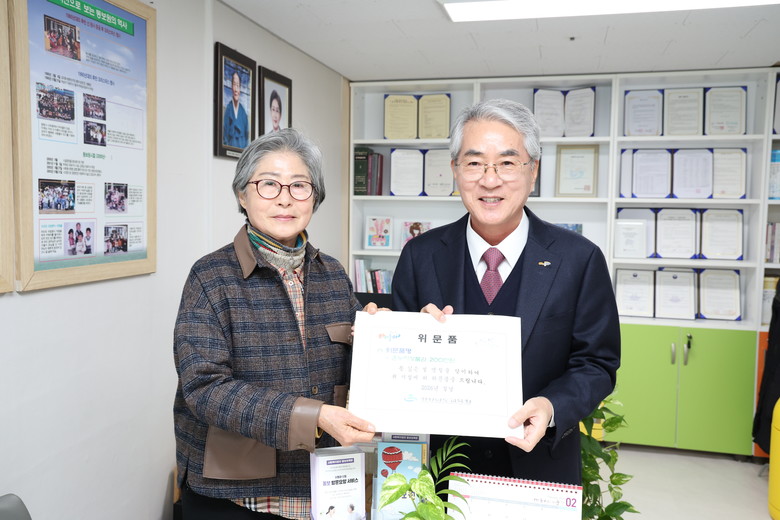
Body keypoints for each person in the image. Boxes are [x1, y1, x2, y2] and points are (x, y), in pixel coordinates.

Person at [391, 99, 620, 485]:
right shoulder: (420, 255)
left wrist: (551, 405)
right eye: (474, 163)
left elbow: (597, 363)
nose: (490, 180)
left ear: (533, 171)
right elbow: (399, 367)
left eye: (508, 163)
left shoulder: (579, 259)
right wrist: (408, 338)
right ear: (455, 170)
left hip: (540, 468)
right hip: (440, 475)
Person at [174, 128, 378, 519]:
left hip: (324, 489)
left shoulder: (333, 274)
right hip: (238, 495)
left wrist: (381, 335)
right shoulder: (210, 277)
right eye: (268, 184)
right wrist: (313, 417)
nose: (285, 198)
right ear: (242, 194)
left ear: (314, 197)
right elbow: (204, 388)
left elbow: (355, 365)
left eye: (299, 185)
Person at [223, 71, 250, 149]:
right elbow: (225, 135)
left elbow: (247, 135)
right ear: (231, 87)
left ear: (240, 89)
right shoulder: (228, 109)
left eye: (238, 85)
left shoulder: (243, 113)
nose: (236, 89)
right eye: (234, 85)